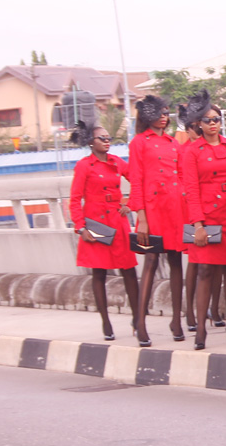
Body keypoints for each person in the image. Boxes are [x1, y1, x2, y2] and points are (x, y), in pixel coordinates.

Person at [180, 91, 226, 350]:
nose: (213, 123)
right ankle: (201, 329)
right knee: (205, 271)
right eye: (207, 120)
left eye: (217, 118)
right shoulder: (192, 151)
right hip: (205, 216)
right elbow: (191, 190)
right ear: (198, 124)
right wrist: (198, 225)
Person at [68, 122, 140, 342]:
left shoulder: (117, 162)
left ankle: (138, 319)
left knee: (129, 270)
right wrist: (81, 227)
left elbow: (137, 180)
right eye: (102, 138)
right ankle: (106, 322)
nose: (107, 141)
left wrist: (132, 203)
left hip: (117, 221)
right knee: (99, 273)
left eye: (109, 138)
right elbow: (74, 199)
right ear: (91, 142)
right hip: (95, 224)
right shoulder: (84, 166)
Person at [130, 95, 187, 347]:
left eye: (167, 112)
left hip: (175, 207)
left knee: (176, 261)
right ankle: (140, 322)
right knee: (151, 262)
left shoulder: (173, 142)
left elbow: (182, 176)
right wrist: (141, 218)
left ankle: (176, 320)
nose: (164, 116)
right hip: (152, 209)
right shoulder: (138, 143)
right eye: (160, 112)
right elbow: (136, 181)